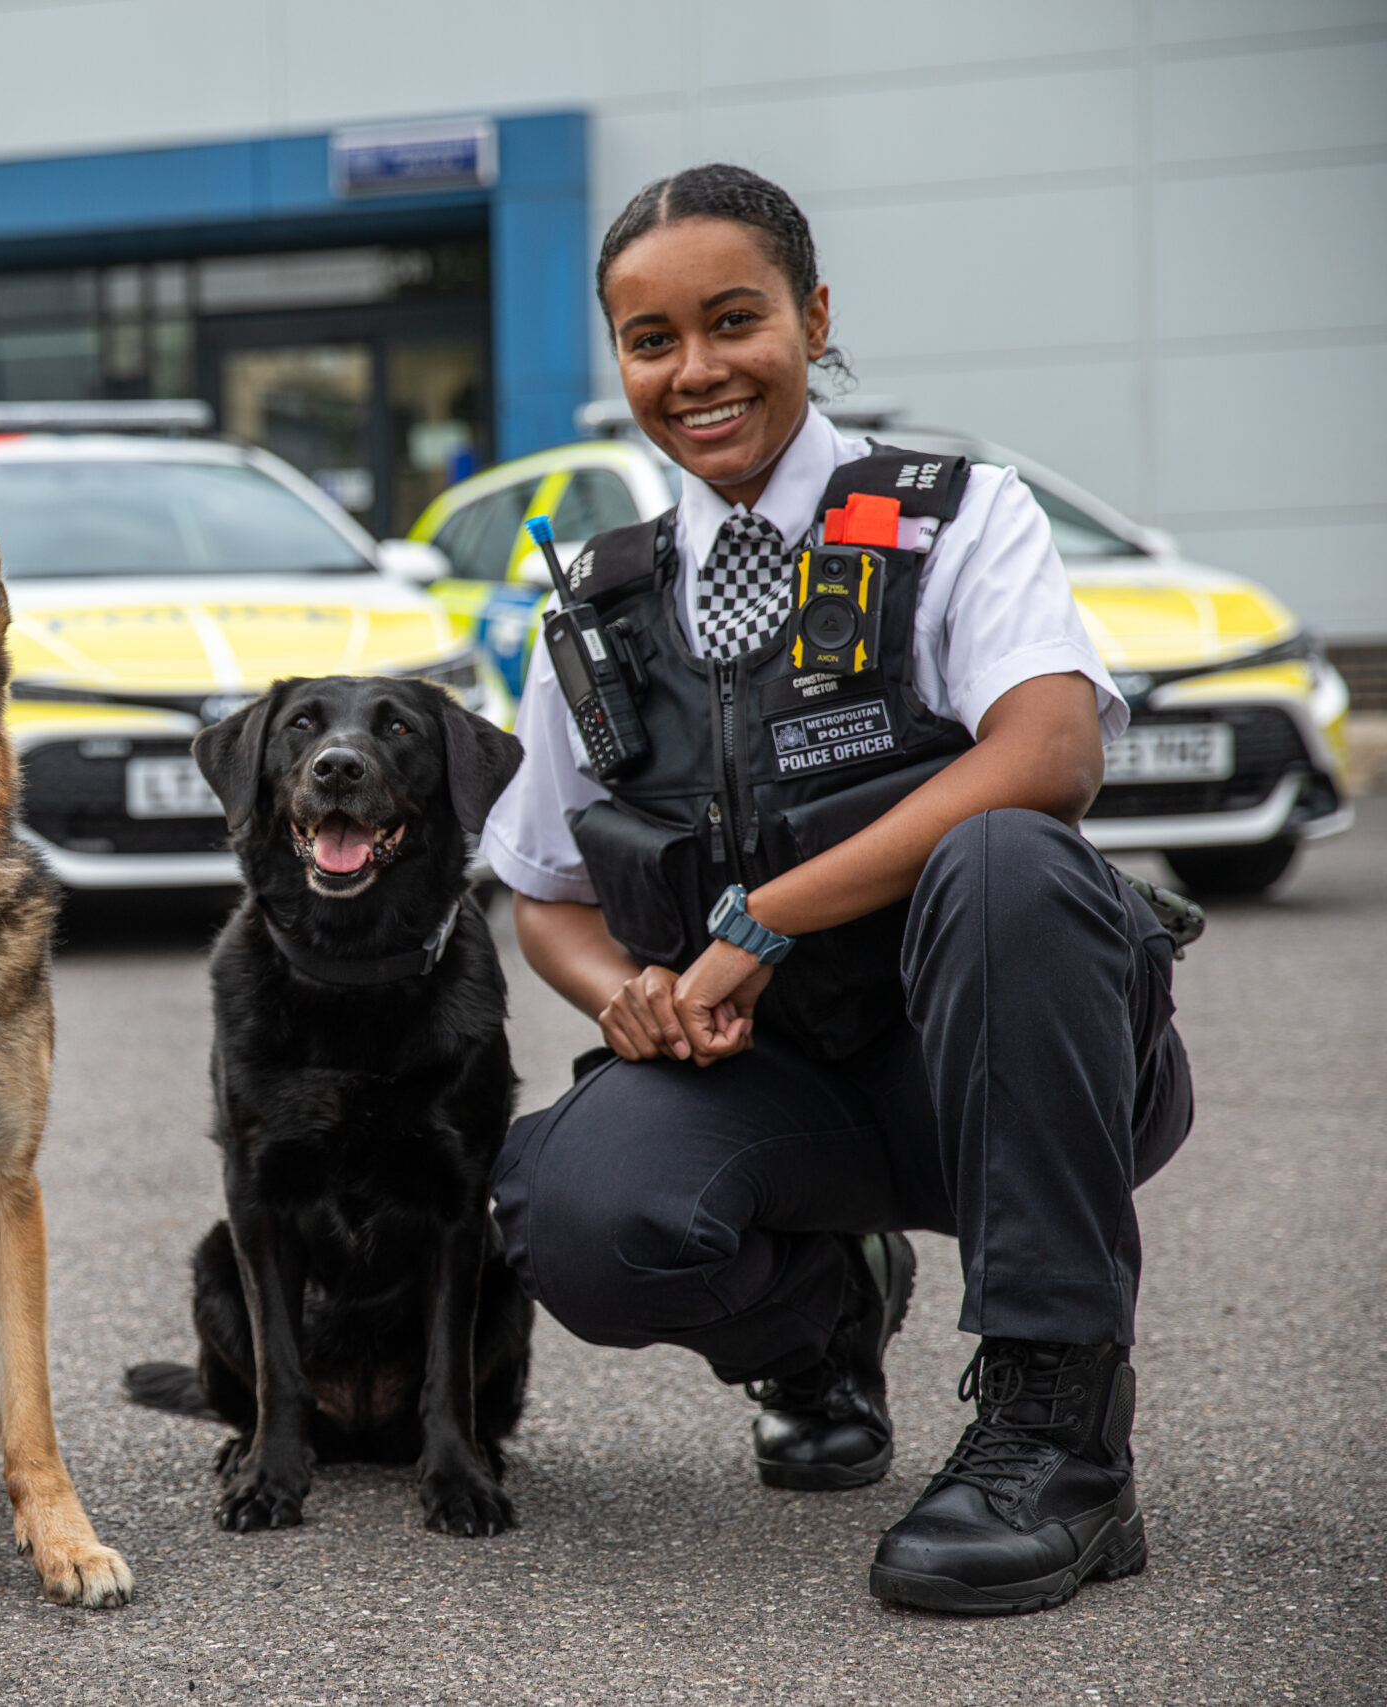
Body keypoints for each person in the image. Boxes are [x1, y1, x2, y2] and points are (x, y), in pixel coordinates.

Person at [484, 165, 1193, 1617]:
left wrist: (761, 919)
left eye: (734, 320)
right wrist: (627, 993)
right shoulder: (597, 607)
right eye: (651, 339)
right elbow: (543, 887)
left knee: (1002, 859)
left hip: (1009, 1076)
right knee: (572, 1207)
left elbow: (1050, 751)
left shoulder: (951, 518)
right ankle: (822, 1325)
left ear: (813, 317)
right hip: (785, 1100)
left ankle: (1058, 1439)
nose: (697, 370)